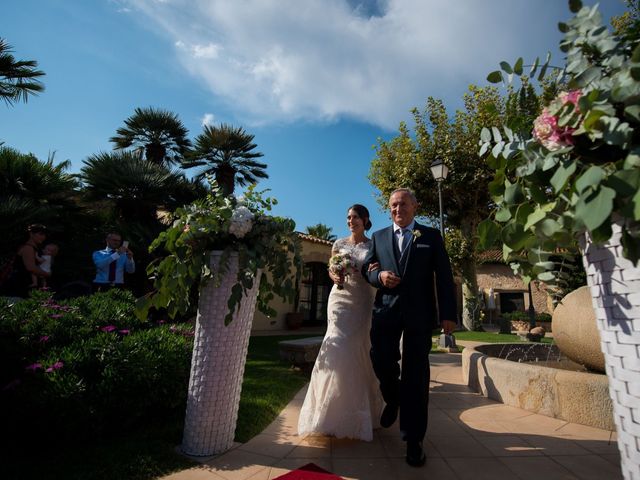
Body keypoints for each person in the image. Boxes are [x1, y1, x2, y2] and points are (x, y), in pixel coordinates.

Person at [362, 188, 456, 467]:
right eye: (392, 205)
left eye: (402, 204)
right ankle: (393, 397)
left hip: (419, 315)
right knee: (380, 359)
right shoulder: (378, 237)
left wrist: (448, 314)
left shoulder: (431, 236)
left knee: (416, 374)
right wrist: (379, 276)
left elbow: (444, 276)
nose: (397, 209)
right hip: (386, 311)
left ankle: (414, 439)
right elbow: (367, 267)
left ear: (415, 206)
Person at [298, 204, 383, 441]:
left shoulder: (373, 245)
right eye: (348, 217)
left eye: (355, 217)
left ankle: (358, 414)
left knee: (357, 349)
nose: (351, 221)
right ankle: (326, 414)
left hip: (361, 301)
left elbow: (375, 271)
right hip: (338, 300)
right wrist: (333, 274)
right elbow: (331, 268)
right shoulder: (338, 244)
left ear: (366, 220)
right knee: (335, 345)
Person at [1, 224, 51, 298]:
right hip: (18, 287)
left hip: (22, 286)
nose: (43, 237)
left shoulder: (33, 248)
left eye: (44, 235)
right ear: (31, 234)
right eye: (40, 234)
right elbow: (31, 267)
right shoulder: (28, 248)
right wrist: (47, 274)